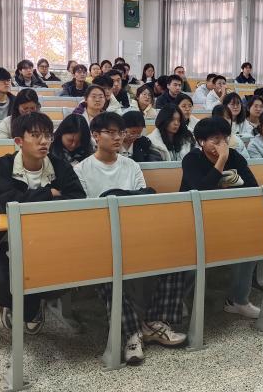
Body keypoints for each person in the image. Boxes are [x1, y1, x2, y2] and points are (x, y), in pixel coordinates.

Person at [74, 112, 187, 364]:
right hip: (101, 239)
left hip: (135, 233)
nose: (118, 137)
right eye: (111, 132)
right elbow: (87, 214)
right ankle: (131, 332)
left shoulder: (131, 165)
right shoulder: (81, 170)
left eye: (121, 132)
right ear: (95, 135)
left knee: (178, 257)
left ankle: (155, 322)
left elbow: (142, 203)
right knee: (107, 271)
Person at [0, 112, 86, 334]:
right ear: (19, 141)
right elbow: (8, 202)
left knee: (66, 278)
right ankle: (24, 307)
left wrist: (30, 198)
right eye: (35, 135)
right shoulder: (3, 165)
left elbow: (76, 198)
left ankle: (29, 307)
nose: (44, 141)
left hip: (50, 242)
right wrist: (49, 193)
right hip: (8, 243)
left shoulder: (60, 166)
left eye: (48, 135)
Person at [180, 116, 260, 319]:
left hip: (229, 219)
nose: (222, 144)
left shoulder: (236, 157)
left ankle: (238, 300)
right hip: (194, 222)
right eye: (215, 140)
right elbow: (200, 190)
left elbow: (253, 186)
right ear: (201, 141)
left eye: (225, 139)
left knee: (251, 246)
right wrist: (221, 160)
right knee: (188, 254)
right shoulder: (192, 159)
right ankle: (180, 300)